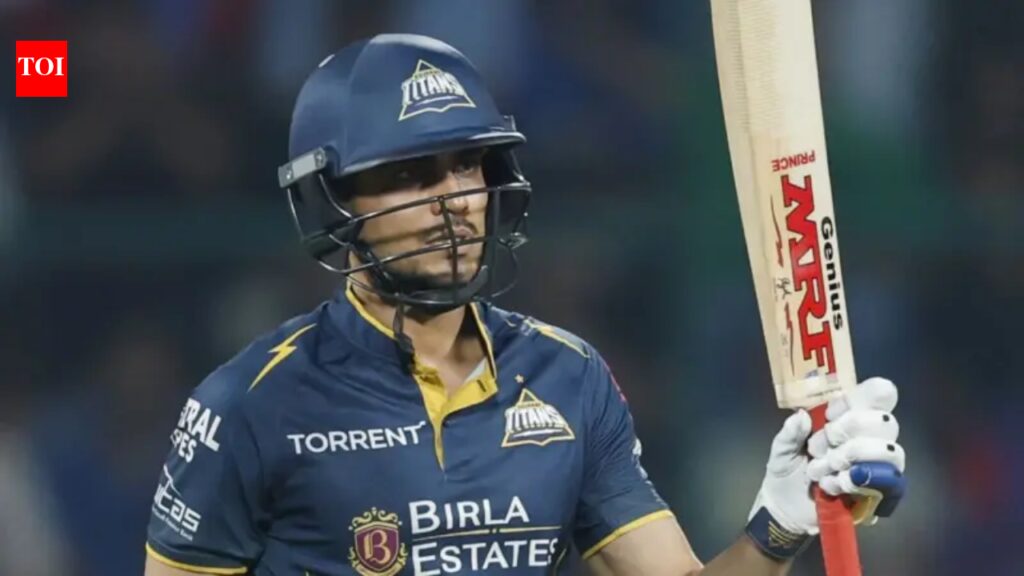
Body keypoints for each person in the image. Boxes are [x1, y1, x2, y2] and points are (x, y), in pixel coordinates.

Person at [144, 34, 906, 576]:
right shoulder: (250, 405)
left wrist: (778, 525)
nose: (455, 201)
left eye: (467, 166)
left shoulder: (567, 378)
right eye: (412, 176)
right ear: (330, 202)